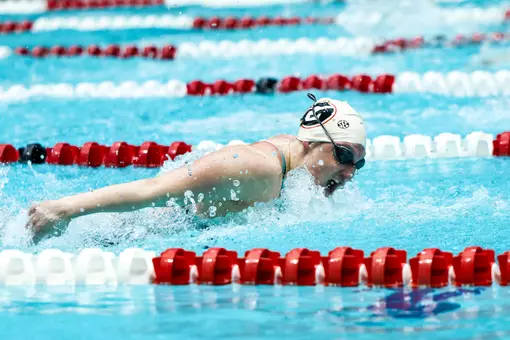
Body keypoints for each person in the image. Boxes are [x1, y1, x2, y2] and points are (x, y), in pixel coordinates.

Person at [27, 94, 367, 242]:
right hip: (116, 235)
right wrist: (63, 209)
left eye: (358, 163)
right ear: (310, 142)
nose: (350, 172)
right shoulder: (254, 168)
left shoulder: (290, 159)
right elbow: (152, 190)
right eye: (343, 155)